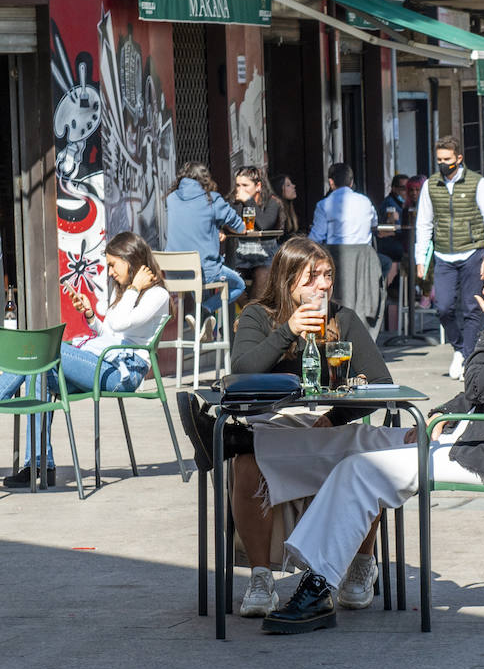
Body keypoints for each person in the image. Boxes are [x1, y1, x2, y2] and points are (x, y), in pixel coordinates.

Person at [215, 238, 484, 634]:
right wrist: (439, 416)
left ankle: (316, 587)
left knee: (360, 470)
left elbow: (478, 387)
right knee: (369, 449)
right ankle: (255, 460)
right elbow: (480, 392)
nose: (483, 291)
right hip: (480, 445)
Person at [176, 236, 394, 617]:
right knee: (247, 463)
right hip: (274, 423)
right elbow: (241, 372)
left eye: (328, 275)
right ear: (287, 280)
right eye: (312, 278)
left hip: (322, 426)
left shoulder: (342, 319)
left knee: (368, 458)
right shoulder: (259, 316)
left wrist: (335, 415)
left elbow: (381, 385)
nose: (324, 285)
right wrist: (288, 331)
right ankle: (261, 579)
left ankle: (362, 565)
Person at [1, 231, 170, 488]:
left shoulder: (157, 295)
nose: (111, 272)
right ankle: (38, 465)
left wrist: (134, 288)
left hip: (123, 375)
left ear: (131, 260)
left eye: (114, 264)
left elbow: (120, 322)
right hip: (106, 364)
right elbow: (113, 335)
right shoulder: (126, 293)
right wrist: (91, 316)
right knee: (41, 371)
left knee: (46, 349)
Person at [411, 137, 484, 380]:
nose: (443, 164)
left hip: (473, 252)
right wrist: (421, 258)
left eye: (447, 160)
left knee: (473, 307)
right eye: (439, 160)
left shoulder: (477, 183)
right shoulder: (431, 185)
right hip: (443, 255)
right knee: (443, 307)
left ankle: (468, 357)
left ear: (459, 159)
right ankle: (459, 348)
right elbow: (424, 223)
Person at [164, 161, 245, 327]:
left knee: (201, 281)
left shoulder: (171, 199)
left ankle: (204, 329)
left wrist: (214, 229)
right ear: (206, 179)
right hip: (202, 271)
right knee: (239, 284)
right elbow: (240, 227)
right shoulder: (212, 199)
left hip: (174, 272)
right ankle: (204, 310)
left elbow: (192, 227)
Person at [309, 163, 385, 336]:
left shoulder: (324, 204)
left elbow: (316, 237)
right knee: (386, 264)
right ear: (351, 182)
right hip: (365, 261)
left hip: (336, 259)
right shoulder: (365, 201)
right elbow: (374, 224)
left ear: (331, 182)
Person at [229, 165, 283, 295]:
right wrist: (239, 203)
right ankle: (248, 310)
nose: (240, 189)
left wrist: (248, 201)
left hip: (265, 256)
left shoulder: (272, 203)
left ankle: (253, 311)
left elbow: (264, 224)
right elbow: (229, 223)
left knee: (262, 274)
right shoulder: (235, 203)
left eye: (245, 185)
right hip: (242, 255)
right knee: (232, 278)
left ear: (258, 186)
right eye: (238, 185)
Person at [270, 174, 300, 238]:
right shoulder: (276, 210)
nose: (294, 186)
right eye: (288, 185)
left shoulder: (291, 209)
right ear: (279, 189)